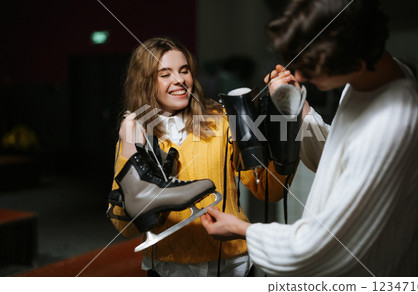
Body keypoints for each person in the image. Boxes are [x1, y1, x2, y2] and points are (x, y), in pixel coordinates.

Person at [201, 0, 418, 276]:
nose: (299, 73)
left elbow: (318, 247)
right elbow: (337, 161)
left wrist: (242, 229)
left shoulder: (394, 123)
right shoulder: (372, 80)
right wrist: (300, 108)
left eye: (311, 70)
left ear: (355, 62)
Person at [108, 37, 290, 277]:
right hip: (170, 270)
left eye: (184, 71)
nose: (179, 80)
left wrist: (287, 126)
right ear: (145, 82)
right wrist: (130, 150)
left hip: (234, 265)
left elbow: (268, 190)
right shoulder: (137, 132)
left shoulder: (222, 120)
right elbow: (125, 227)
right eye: (165, 74)